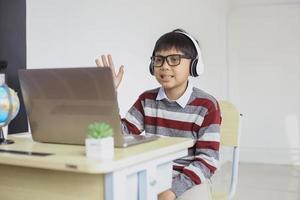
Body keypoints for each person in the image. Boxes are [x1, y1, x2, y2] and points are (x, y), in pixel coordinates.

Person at [95, 29, 221, 200]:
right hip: (151, 174)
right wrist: (110, 94)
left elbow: (207, 160)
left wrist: (174, 190)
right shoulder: (147, 99)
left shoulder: (206, 106)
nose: (165, 66)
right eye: (159, 60)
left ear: (194, 65)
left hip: (190, 179)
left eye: (174, 59)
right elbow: (121, 135)